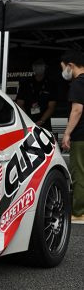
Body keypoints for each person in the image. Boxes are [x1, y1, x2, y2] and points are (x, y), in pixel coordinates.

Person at [61, 50, 84, 223]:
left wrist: (67, 133)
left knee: (79, 173)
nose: (63, 72)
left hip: (81, 135)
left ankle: (79, 212)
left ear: (70, 66)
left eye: (63, 68)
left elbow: (77, 109)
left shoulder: (78, 83)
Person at [16, 59, 57, 132]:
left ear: (45, 68)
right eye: (36, 66)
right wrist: (27, 120)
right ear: (33, 68)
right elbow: (19, 103)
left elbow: (51, 106)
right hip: (27, 122)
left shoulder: (50, 84)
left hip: (44, 122)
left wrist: (41, 121)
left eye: (41, 66)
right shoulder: (25, 84)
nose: (38, 68)